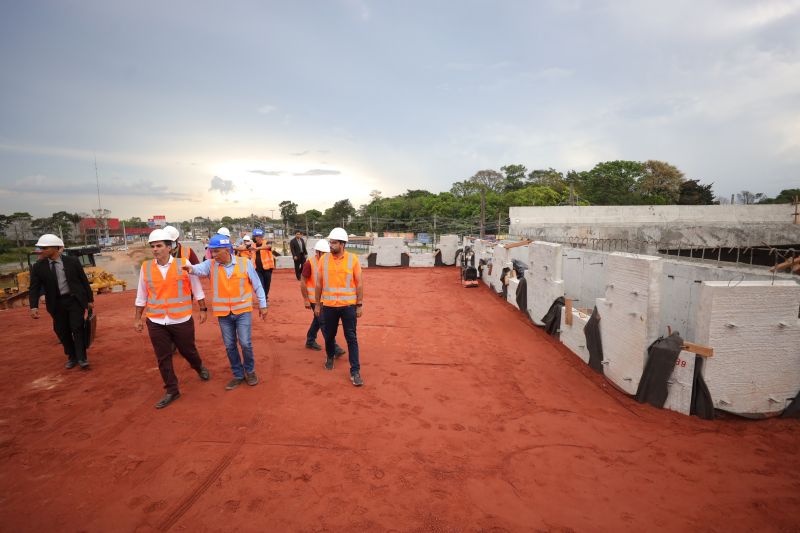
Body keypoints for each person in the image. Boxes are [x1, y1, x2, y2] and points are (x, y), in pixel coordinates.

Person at [134, 229, 211, 409]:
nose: (155, 249)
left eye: (159, 246)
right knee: (163, 357)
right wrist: (137, 317)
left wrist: (203, 308)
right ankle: (172, 390)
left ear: (169, 247)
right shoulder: (146, 268)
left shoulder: (183, 263)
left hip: (181, 319)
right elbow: (141, 295)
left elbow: (196, 287)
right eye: (152, 246)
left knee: (188, 350)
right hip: (156, 320)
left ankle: (198, 366)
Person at [184, 234, 268, 391]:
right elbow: (197, 269)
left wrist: (263, 305)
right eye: (212, 252)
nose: (213, 255)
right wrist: (190, 268)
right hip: (223, 314)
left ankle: (250, 372)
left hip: (242, 310)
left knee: (245, 343)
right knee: (230, 345)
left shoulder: (245, 263)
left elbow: (257, 285)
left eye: (216, 251)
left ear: (227, 249)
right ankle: (238, 374)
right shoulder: (210, 265)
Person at [29, 234, 94, 369]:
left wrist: (89, 299)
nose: (42, 250)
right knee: (62, 331)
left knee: (77, 328)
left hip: (74, 300)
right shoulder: (38, 267)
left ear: (55, 248)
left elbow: (84, 281)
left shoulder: (73, 261)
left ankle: (82, 358)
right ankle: (72, 356)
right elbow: (34, 288)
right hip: (56, 304)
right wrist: (33, 306)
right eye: (41, 248)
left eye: (45, 248)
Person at [314, 227, 364, 386]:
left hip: (348, 306)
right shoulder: (324, 259)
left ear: (342, 244)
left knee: (351, 338)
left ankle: (355, 371)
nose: (331, 245)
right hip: (328, 306)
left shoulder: (353, 259)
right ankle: (330, 355)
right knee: (329, 335)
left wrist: (359, 304)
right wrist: (317, 304)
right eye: (330, 242)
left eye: (334, 243)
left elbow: (359, 283)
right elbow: (319, 283)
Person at [300, 239, 345, 355]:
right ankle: (334, 348)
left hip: (326, 299)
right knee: (324, 322)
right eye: (323, 253)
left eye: (327, 253)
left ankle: (310, 340)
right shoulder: (309, 263)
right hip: (314, 299)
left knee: (318, 320)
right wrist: (305, 299)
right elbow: (303, 282)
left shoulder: (329, 262)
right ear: (317, 252)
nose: (326, 255)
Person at [251, 228, 275, 303]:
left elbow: (268, 247)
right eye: (256, 236)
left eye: (259, 236)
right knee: (260, 284)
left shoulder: (267, 242)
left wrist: (258, 248)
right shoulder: (252, 245)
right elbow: (244, 248)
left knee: (267, 284)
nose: (258, 238)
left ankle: (265, 296)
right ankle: (263, 299)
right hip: (257, 269)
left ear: (262, 236)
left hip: (268, 268)